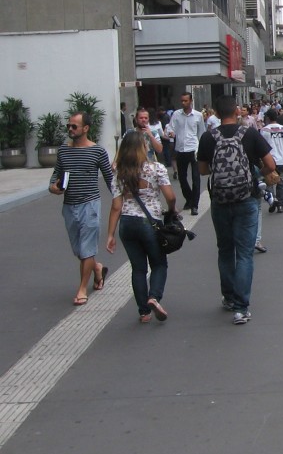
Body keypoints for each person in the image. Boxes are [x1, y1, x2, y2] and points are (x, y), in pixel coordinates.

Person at [197, 94, 279, 325]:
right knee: (244, 254)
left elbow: (203, 170)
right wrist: (254, 176)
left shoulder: (208, 137)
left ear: (215, 113)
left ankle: (229, 297)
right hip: (247, 198)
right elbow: (271, 165)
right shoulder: (250, 134)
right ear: (237, 111)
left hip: (220, 200)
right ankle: (242, 308)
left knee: (225, 251)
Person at [105, 131, 179, 323]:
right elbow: (170, 196)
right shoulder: (156, 169)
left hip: (127, 223)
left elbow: (116, 206)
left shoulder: (119, 172)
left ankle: (143, 312)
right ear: (142, 148)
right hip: (150, 222)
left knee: (138, 268)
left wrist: (110, 235)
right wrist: (171, 210)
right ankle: (154, 297)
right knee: (159, 263)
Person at [49, 112, 115, 306]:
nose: (70, 129)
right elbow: (55, 177)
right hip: (69, 206)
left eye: (74, 126)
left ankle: (82, 289)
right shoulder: (63, 150)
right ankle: (97, 269)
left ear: (85, 129)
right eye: (68, 126)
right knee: (79, 250)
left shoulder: (98, 152)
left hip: (90, 205)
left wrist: (120, 204)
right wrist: (53, 187)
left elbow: (111, 180)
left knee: (87, 249)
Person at [167, 92, 205, 216]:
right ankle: (189, 198)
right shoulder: (176, 114)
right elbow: (170, 128)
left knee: (195, 178)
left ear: (191, 101)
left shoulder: (198, 116)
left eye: (186, 101)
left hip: (193, 149)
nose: (183, 103)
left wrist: (200, 149)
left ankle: (195, 205)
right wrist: (171, 133)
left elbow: (201, 133)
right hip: (181, 149)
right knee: (182, 178)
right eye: (182, 101)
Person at [260, 107, 283, 213]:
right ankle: (280, 204)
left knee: (269, 181)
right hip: (282, 160)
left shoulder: (264, 130)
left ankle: (272, 200)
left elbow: (262, 146)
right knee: (282, 182)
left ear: (268, 118)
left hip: (269, 160)